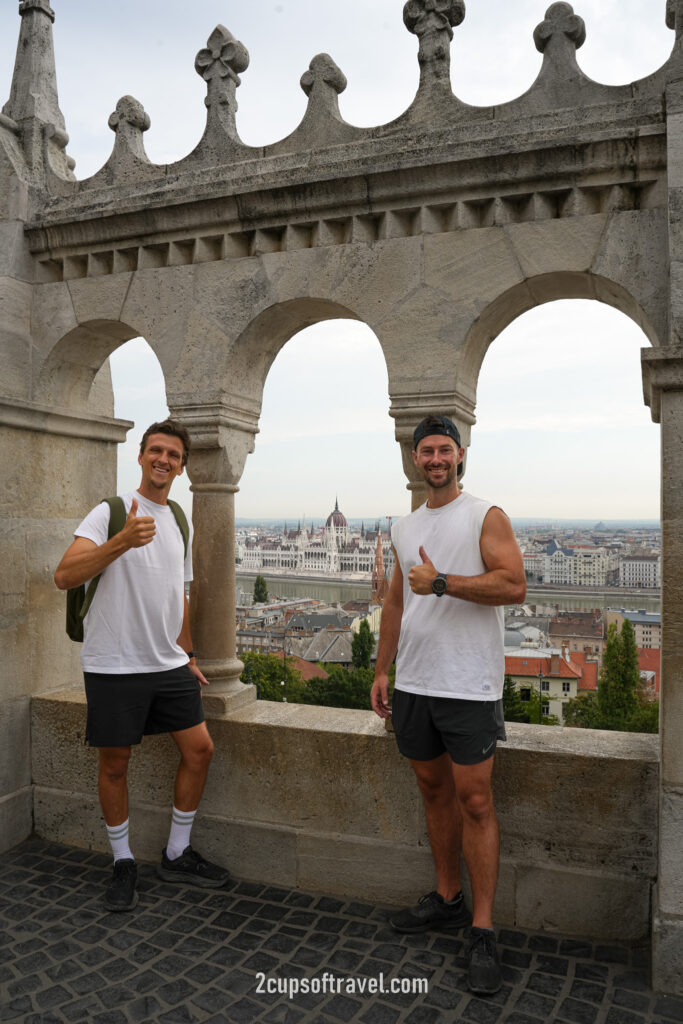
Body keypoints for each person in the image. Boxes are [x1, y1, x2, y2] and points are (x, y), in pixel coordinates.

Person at [371, 414, 526, 995]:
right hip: (415, 683)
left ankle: (483, 929)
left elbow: (514, 585)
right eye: (425, 452)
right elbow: (392, 605)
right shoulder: (404, 527)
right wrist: (382, 669)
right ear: (414, 460)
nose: (435, 460)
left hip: (468, 686)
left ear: (460, 455)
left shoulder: (486, 515)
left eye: (444, 450)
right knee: (434, 794)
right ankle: (446, 897)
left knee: (477, 802)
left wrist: (442, 583)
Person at [54, 419, 229, 911]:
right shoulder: (109, 512)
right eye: (156, 451)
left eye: (173, 455)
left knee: (200, 750)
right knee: (115, 764)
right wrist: (121, 542)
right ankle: (122, 861)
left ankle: (177, 851)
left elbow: (180, 597)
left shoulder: (178, 517)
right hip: (113, 664)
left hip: (168, 664)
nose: (163, 460)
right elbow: (64, 575)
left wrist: (189, 654)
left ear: (181, 465)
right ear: (140, 456)